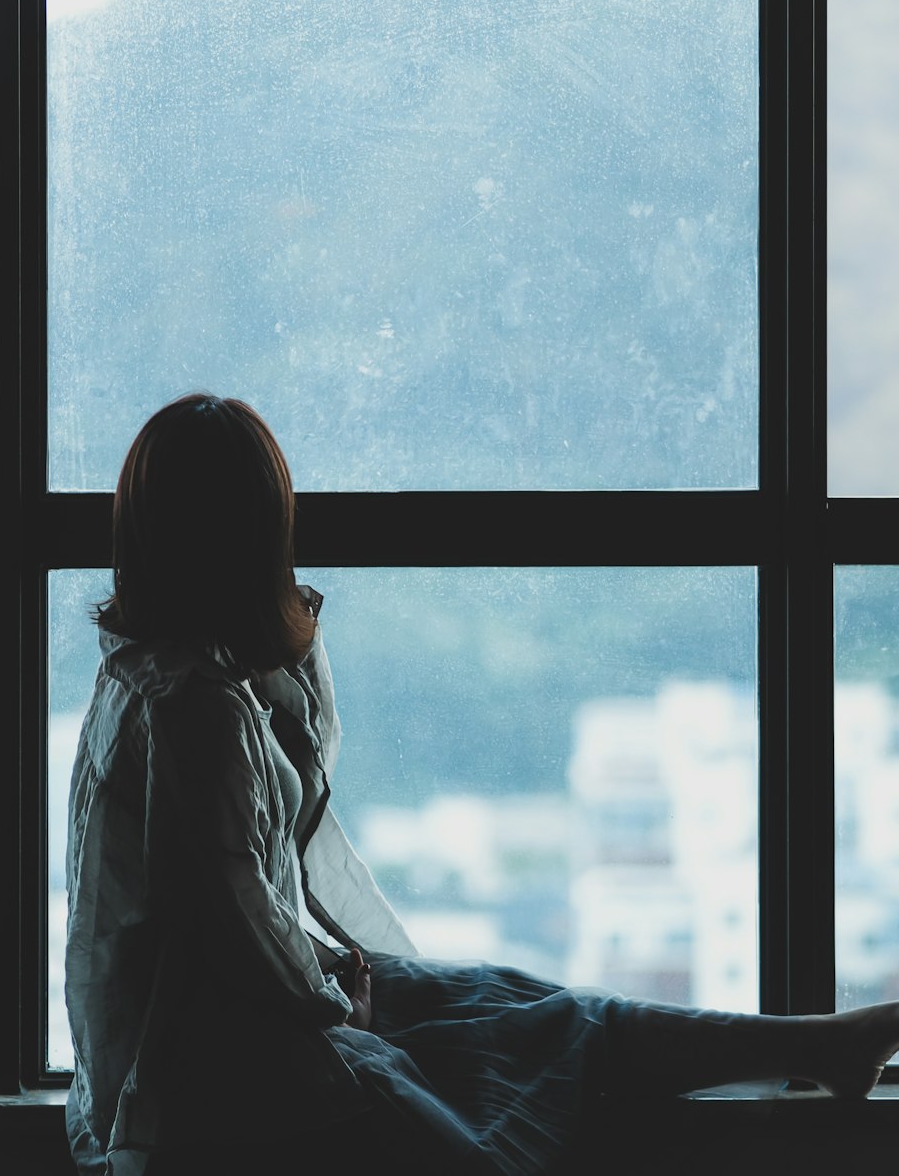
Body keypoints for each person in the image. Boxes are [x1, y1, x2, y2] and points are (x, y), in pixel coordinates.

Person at [65, 392, 899, 1175]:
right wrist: (334, 1004)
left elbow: (210, 917)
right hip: (227, 1079)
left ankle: (811, 1043)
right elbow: (235, 920)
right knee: (539, 1039)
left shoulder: (141, 682)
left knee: (527, 1009)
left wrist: (323, 976)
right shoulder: (196, 711)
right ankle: (810, 1045)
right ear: (254, 536)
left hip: (192, 1053)